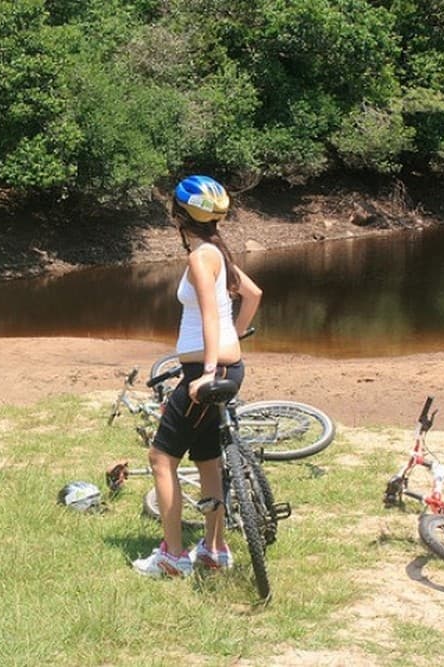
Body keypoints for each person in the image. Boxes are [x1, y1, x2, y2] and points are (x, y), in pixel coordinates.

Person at [132, 175, 263, 578]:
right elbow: (254, 295)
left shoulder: (200, 257)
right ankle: (214, 549)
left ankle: (172, 556)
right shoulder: (217, 252)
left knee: (161, 457)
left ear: (178, 215)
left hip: (207, 369)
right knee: (207, 459)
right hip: (228, 364)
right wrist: (234, 339)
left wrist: (208, 369)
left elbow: (208, 312)